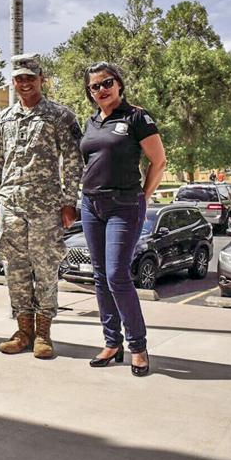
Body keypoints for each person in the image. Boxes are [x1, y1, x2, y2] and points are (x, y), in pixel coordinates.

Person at [0, 53, 83, 359]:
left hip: (46, 207)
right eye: (19, 78)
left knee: (46, 268)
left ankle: (43, 333)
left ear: (42, 79)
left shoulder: (60, 116)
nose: (25, 83)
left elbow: (73, 161)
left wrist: (69, 201)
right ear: (13, 82)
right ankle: (23, 330)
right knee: (15, 269)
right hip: (10, 205)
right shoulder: (3, 119)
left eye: (30, 77)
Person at [79, 62, 166, 377]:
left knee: (117, 274)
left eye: (107, 83)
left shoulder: (137, 117)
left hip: (124, 204)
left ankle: (138, 347)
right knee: (100, 276)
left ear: (119, 84)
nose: (101, 90)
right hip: (90, 205)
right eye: (94, 87)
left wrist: (144, 196)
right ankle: (111, 342)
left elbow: (159, 161)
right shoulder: (91, 122)